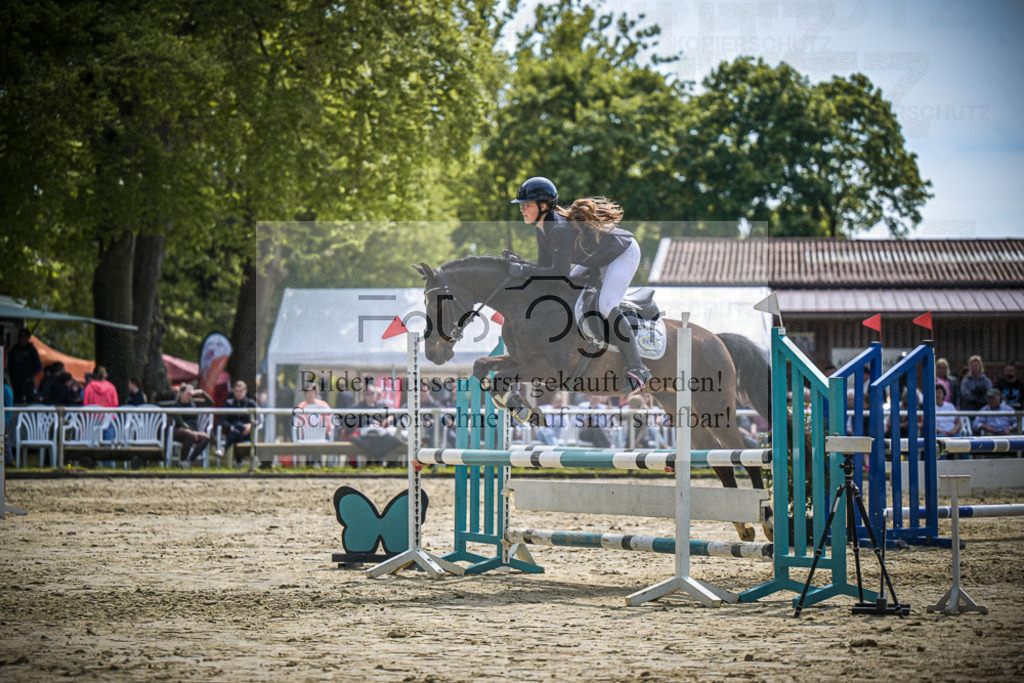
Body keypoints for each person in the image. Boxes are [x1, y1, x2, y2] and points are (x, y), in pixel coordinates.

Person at [508, 177, 650, 394]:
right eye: (522, 206)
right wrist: (521, 265)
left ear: (543, 205)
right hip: (597, 259)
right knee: (569, 290)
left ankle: (638, 369)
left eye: (526, 205)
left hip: (622, 253)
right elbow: (545, 268)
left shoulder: (558, 229)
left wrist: (522, 270)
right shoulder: (543, 228)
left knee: (606, 305)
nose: (522, 210)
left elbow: (559, 273)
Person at [169, 383, 213, 467]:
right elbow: (181, 422)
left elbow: (210, 403)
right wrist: (192, 432)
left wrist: (201, 393)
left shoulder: (194, 403)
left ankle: (189, 461)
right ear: (181, 393)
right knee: (189, 435)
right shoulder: (176, 406)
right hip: (180, 430)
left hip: (193, 431)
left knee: (205, 438)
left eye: (191, 394)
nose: (189, 396)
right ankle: (183, 460)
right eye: (187, 394)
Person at [222, 380, 259, 457]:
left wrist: (251, 425)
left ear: (245, 391)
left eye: (241, 391)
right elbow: (223, 420)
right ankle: (239, 461)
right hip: (233, 431)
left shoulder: (251, 403)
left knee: (236, 430)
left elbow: (259, 419)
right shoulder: (229, 403)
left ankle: (223, 449)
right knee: (235, 432)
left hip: (247, 433)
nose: (238, 393)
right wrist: (230, 427)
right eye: (236, 391)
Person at [82, 365, 119, 442]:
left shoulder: (89, 387)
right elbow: (115, 404)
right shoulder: (111, 387)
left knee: (92, 440)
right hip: (108, 417)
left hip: (93, 418)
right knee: (108, 440)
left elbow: (85, 404)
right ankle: (108, 451)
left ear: (95, 375)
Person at [7, 328, 42, 404]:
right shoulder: (15, 348)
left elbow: (38, 366)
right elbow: (10, 364)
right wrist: (12, 376)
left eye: (22, 336)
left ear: (27, 338)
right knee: (17, 399)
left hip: (27, 382)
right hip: (16, 381)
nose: (19, 338)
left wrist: (29, 376)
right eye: (19, 336)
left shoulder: (31, 350)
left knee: (29, 399)